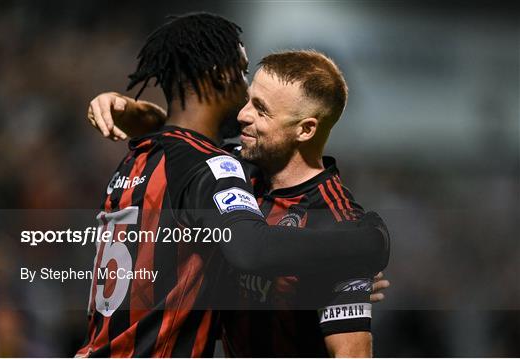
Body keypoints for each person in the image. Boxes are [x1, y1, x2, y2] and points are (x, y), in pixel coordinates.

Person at [79, 13, 389, 358]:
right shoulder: (217, 170)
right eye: (244, 77)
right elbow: (250, 250)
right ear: (219, 77)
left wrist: (136, 112)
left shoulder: (141, 156)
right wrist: (367, 243)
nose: (244, 111)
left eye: (261, 108)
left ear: (306, 129)